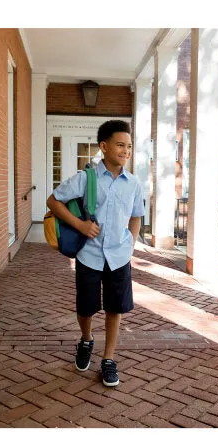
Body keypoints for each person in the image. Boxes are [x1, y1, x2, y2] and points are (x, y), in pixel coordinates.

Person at [46, 120, 144, 387]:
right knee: (86, 307)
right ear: (104, 146)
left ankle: (109, 359)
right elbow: (53, 201)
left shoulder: (133, 184)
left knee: (116, 308)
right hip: (88, 255)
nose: (126, 150)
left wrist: (130, 245)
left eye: (129, 146)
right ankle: (86, 339)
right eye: (120, 145)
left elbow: (136, 216)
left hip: (119, 257)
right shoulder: (86, 178)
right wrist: (79, 225)